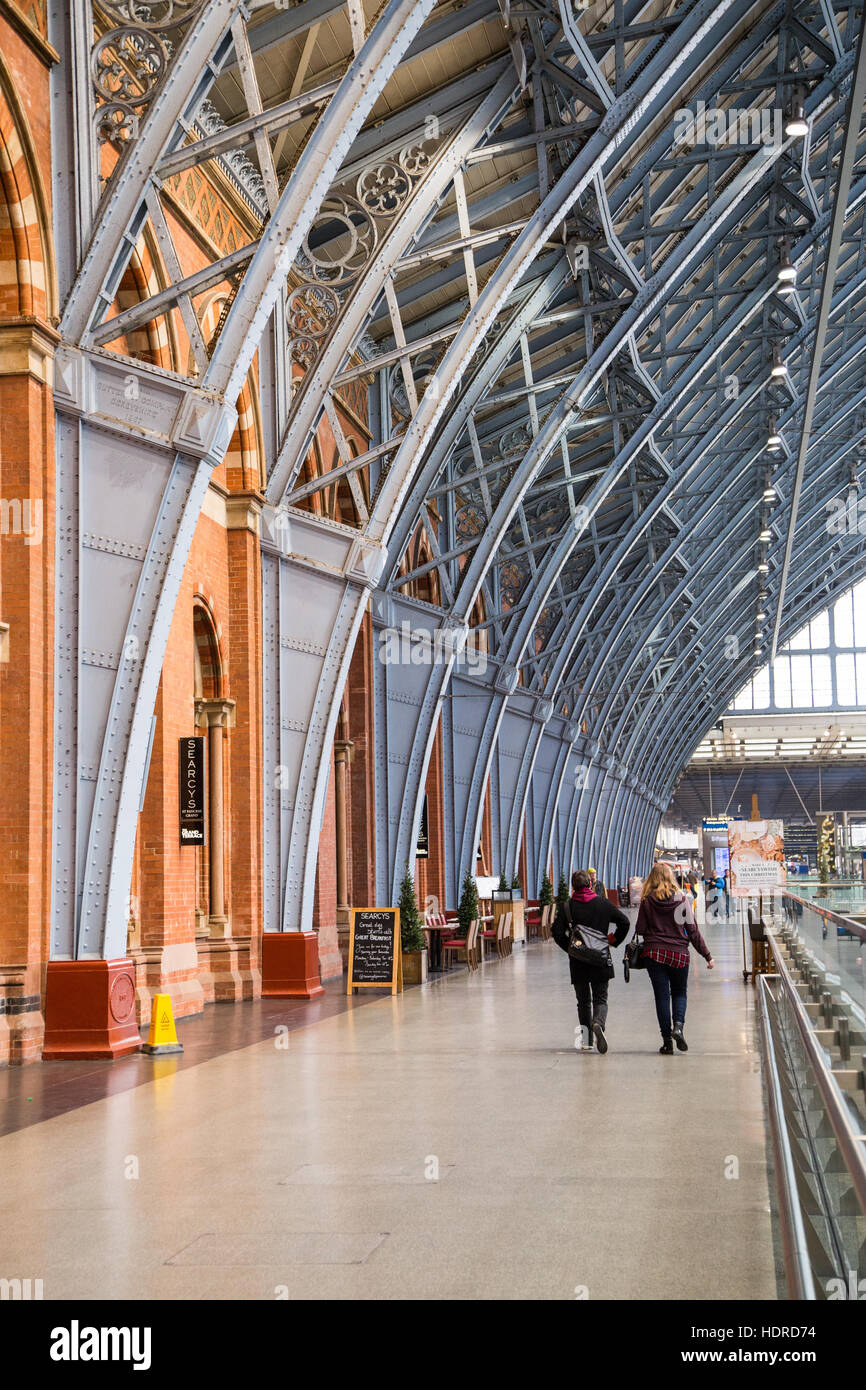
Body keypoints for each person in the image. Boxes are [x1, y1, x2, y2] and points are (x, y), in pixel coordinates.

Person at [634, 861, 714, 1055]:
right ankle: (678, 1026)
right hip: (679, 953)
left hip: (655, 953)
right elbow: (693, 931)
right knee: (679, 992)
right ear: (671, 878)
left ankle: (667, 1042)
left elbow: (640, 929)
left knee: (661, 997)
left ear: (652, 880)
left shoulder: (647, 901)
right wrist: (707, 956)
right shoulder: (681, 900)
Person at [553, 870, 630, 1053]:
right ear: (590, 884)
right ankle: (598, 1023)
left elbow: (556, 933)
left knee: (583, 1001)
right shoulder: (603, 903)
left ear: (573, 886)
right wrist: (612, 941)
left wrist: (570, 948)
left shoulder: (567, 907)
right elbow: (624, 922)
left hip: (578, 961)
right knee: (600, 998)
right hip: (600, 959)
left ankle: (587, 1040)